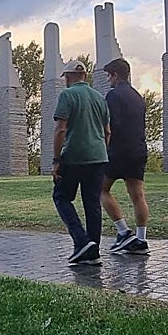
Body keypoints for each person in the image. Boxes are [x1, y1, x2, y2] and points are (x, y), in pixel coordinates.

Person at [51, 59, 110, 265]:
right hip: (98, 157)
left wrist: (57, 160)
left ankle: (81, 241)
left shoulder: (67, 95)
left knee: (61, 197)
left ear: (68, 77)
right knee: (92, 204)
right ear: (85, 75)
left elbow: (60, 130)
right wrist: (101, 149)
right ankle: (93, 251)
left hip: (74, 156)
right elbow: (107, 132)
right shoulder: (99, 98)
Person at [101, 58, 150, 254]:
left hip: (119, 150)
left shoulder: (113, 96)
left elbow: (112, 126)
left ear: (116, 75)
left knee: (101, 190)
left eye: (108, 75)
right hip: (138, 149)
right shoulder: (138, 97)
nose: (108, 80)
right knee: (138, 195)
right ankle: (141, 239)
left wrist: (105, 146)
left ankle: (123, 232)